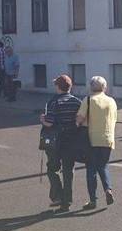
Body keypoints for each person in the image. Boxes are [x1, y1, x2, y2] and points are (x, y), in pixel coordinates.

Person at [41, 74, 83, 213]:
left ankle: (58, 195)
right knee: (68, 171)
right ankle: (67, 202)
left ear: (58, 86)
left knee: (52, 169)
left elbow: (50, 122)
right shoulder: (77, 102)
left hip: (56, 141)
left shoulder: (53, 102)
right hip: (71, 140)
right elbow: (80, 121)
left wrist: (42, 119)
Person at [76, 76, 117, 210]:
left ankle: (93, 200)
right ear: (105, 87)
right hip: (107, 139)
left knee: (91, 169)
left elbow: (80, 119)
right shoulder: (111, 101)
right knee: (103, 166)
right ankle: (108, 189)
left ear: (91, 87)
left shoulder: (88, 100)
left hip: (91, 140)